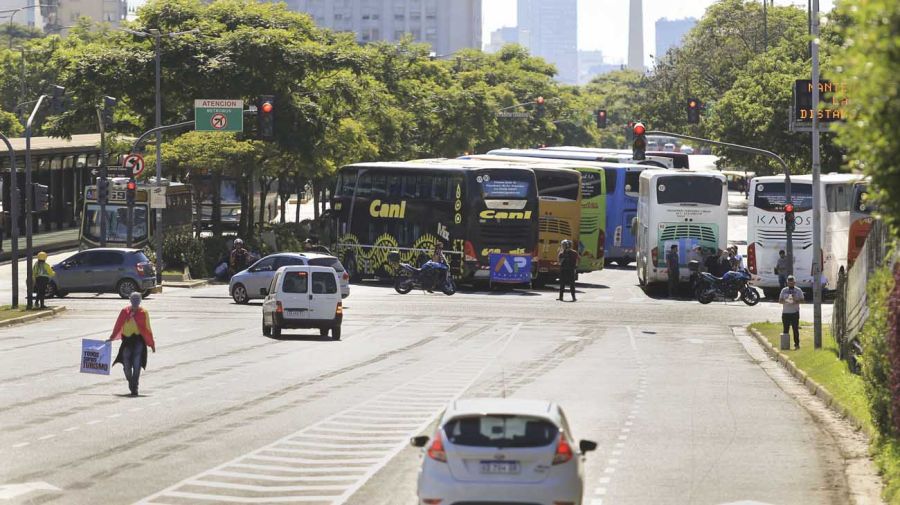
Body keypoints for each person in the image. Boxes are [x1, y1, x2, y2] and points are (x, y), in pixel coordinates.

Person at [108, 292, 156, 396]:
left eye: (137, 299)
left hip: (139, 340)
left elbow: (147, 328)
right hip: (127, 341)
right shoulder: (124, 311)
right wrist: (112, 337)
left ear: (140, 300)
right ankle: (130, 381)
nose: (135, 301)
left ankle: (135, 386)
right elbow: (118, 325)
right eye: (133, 299)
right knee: (126, 364)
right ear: (130, 299)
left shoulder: (144, 312)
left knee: (137, 364)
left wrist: (151, 343)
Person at [779, 275, 805, 350]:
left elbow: (803, 301)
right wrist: (786, 300)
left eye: (792, 283)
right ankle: (785, 345)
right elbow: (780, 301)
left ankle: (796, 344)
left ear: (794, 282)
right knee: (785, 329)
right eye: (789, 283)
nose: (791, 284)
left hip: (794, 312)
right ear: (787, 283)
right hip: (786, 312)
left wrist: (796, 300)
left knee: (795, 329)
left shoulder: (798, 290)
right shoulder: (784, 290)